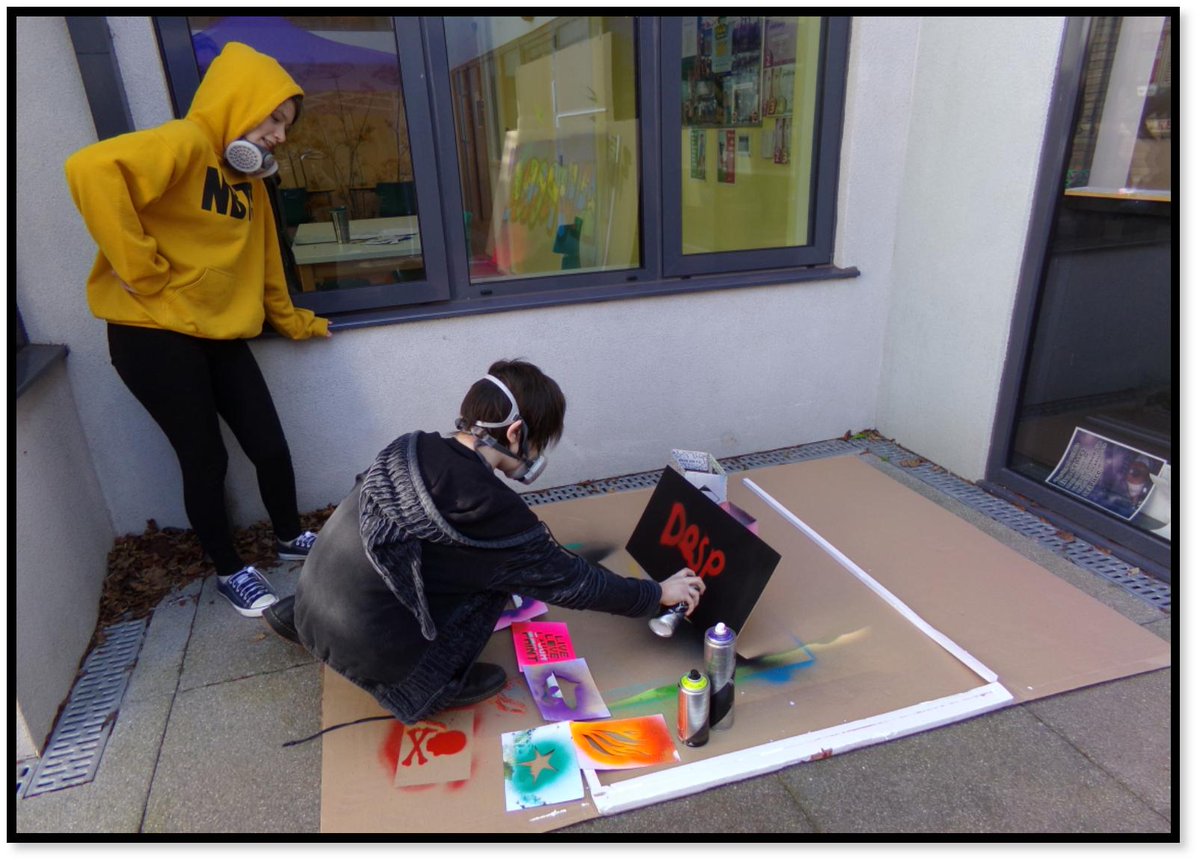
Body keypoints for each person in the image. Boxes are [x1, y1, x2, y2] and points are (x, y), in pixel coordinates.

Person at [264, 359, 706, 722]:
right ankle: (437, 685)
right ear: (516, 434)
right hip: (381, 661)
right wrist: (656, 593)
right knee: (501, 580)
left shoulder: (413, 446)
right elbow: (573, 583)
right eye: (540, 443)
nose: (537, 457)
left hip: (311, 608)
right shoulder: (489, 508)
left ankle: (311, 622)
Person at [64, 42, 330, 617]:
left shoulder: (251, 184)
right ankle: (230, 570)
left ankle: (289, 538)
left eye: (285, 126)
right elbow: (89, 168)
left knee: (268, 443)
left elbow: (265, 270)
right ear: (239, 104)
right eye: (273, 119)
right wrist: (141, 270)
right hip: (151, 335)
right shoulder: (185, 143)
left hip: (219, 333)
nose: (280, 136)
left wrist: (294, 322)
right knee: (204, 457)